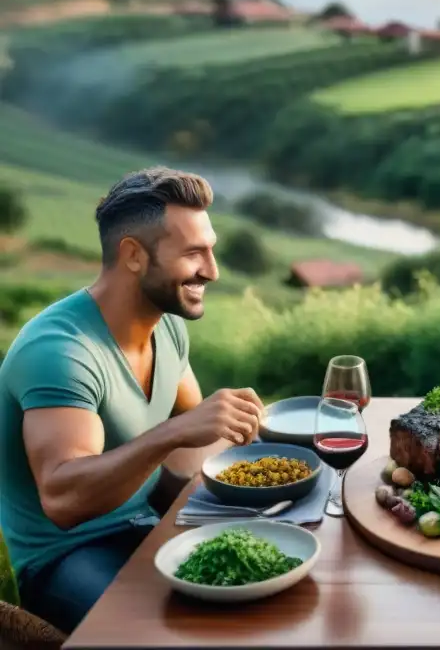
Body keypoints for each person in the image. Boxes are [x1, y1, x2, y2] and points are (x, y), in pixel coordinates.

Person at [0, 167, 265, 635]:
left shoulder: (167, 326)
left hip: (148, 525)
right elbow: (63, 500)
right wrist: (174, 432)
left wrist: (269, 480)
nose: (212, 269)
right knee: (164, 633)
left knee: (262, 594)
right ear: (133, 255)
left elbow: (195, 446)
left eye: (212, 249)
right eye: (193, 253)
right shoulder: (61, 351)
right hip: (68, 555)